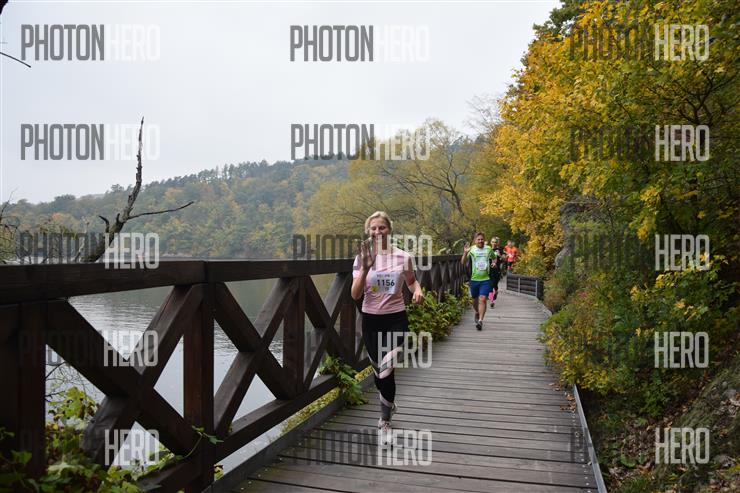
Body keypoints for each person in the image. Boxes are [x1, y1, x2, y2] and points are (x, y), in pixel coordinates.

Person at [351, 211, 424, 447]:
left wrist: (417, 290)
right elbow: (355, 294)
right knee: (378, 372)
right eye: (373, 228)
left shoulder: (404, 257)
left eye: (381, 227)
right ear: (367, 231)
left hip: (395, 319)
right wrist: (365, 268)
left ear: (389, 230)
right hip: (371, 320)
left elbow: (411, 281)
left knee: (386, 370)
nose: (377, 232)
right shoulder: (361, 258)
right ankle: (389, 404)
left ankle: (384, 421)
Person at [461, 232, 492, 330]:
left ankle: (480, 321)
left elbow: (494, 257)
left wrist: (494, 263)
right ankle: (477, 312)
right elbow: (463, 262)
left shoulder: (489, 249)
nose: (480, 241)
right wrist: (465, 252)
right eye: (478, 239)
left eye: (482, 239)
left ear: (484, 240)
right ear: (475, 241)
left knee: (482, 299)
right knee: (474, 300)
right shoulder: (472, 249)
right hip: (474, 279)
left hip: (485, 279)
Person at [488, 237, 504, 308]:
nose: (494, 243)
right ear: (490, 242)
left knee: (495, 285)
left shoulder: (500, 250)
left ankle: (496, 291)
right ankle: (491, 301)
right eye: (493, 242)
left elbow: (504, 259)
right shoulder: (488, 249)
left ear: (497, 243)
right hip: (489, 270)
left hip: (497, 270)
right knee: (490, 286)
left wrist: (499, 255)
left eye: (495, 242)